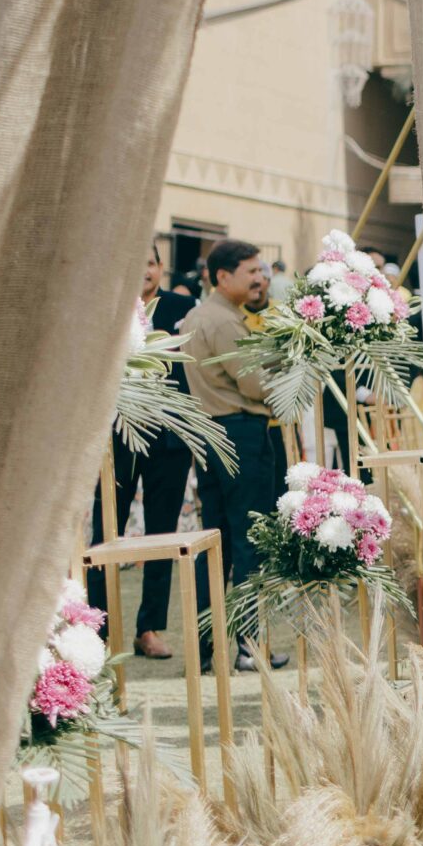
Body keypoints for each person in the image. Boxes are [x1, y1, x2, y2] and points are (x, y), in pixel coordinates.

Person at [180, 238, 289, 670]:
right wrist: (290, 371)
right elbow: (255, 385)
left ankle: (208, 648)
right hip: (240, 432)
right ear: (223, 277)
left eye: (261, 270)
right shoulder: (224, 321)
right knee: (249, 540)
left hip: (211, 432)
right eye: (252, 271)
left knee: (216, 540)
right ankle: (249, 645)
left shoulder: (198, 316)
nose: (260, 278)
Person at [88, 253, 201, 658]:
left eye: (151, 262)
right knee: (106, 531)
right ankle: (96, 627)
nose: (145, 270)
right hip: (118, 436)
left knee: (162, 534)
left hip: (170, 438)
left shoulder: (183, 308)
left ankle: (148, 628)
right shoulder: (108, 307)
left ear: (161, 267)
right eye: (137, 261)